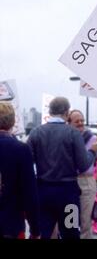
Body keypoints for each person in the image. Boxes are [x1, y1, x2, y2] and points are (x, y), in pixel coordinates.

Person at [27, 97, 97, 239]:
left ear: (50, 111)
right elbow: (83, 165)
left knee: (43, 232)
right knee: (70, 233)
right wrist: (93, 151)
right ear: (67, 112)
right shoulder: (73, 133)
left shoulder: (36, 132)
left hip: (43, 191)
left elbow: (29, 162)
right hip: (68, 192)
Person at [0, 102, 40, 239]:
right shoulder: (21, 150)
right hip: (11, 225)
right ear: (12, 122)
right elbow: (29, 194)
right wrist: (35, 229)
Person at [68, 110, 97, 239]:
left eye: (82, 120)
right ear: (69, 123)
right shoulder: (67, 137)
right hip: (70, 181)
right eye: (77, 121)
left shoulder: (93, 138)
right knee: (69, 220)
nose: (81, 123)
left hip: (86, 181)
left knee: (85, 220)